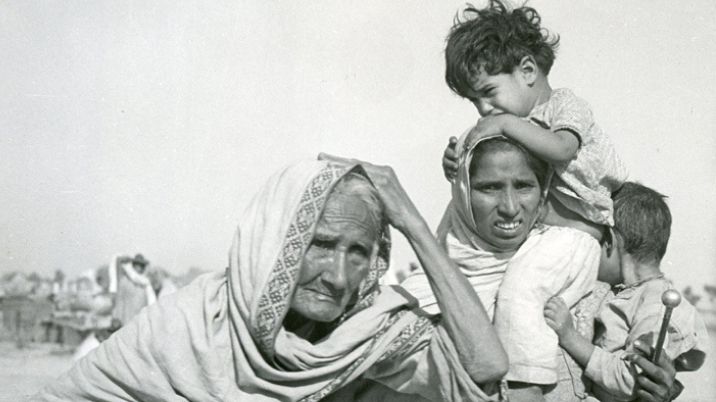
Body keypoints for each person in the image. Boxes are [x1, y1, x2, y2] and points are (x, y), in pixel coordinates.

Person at [34, 158, 506, 402]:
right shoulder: (189, 326)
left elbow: (485, 368)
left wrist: (412, 221)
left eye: (359, 252)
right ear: (276, 244)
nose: (339, 277)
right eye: (320, 245)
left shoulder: (360, 335)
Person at [440, 1, 627, 396]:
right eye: (475, 101)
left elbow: (560, 149)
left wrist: (504, 123)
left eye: (489, 92)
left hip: (573, 240)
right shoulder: (522, 125)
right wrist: (456, 162)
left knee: (523, 292)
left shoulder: (565, 106)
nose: (483, 108)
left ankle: (529, 384)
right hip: (545, 240)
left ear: (527, 70)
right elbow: (487, 169)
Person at [544, 182, 708, 401]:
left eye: (593, 241)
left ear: (610, 241)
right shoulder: (628, 295)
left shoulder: (657, 306)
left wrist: (569, 336)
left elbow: (633, 379)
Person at [108, 253, 157, 326]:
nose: (140, 268)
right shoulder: (125, 280)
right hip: (126, 319)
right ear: (134, 265)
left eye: (142, 265)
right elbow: (120, 300)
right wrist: (117, 317)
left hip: (140, 321)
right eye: (138, 265)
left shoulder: (146, 283)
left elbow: (151, 303)